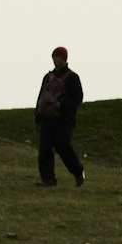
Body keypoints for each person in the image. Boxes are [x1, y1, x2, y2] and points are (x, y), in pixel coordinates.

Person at [35, 46, 85, 187]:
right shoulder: (48, 77)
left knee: (63, 147)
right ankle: (48, 179)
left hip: (64, 120)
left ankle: (78, 171)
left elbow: (78, 98)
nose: (55, 59)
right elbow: (41, 98)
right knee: (44, 150)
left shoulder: (72, 77)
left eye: (57, 57)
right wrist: (38, 118)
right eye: (54, 57)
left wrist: (62, 105)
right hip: (47, 119)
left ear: (64, 58)